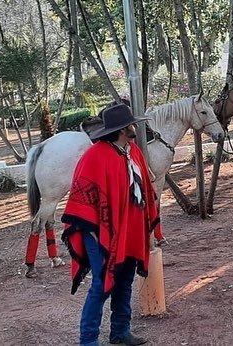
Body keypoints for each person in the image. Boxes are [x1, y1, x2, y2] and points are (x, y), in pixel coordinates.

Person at [61, 103, 160, 346]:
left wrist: (147, 228)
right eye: (132, 123)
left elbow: (145, 191)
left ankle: (120, 331)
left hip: (129, 230)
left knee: (125, 280)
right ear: (124, 128)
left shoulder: (133, 151)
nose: (136, 126)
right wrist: (94, 235)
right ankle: (88, 340)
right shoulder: (94, 156)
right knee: (102, 284)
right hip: (98, 233)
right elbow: (80, 201)